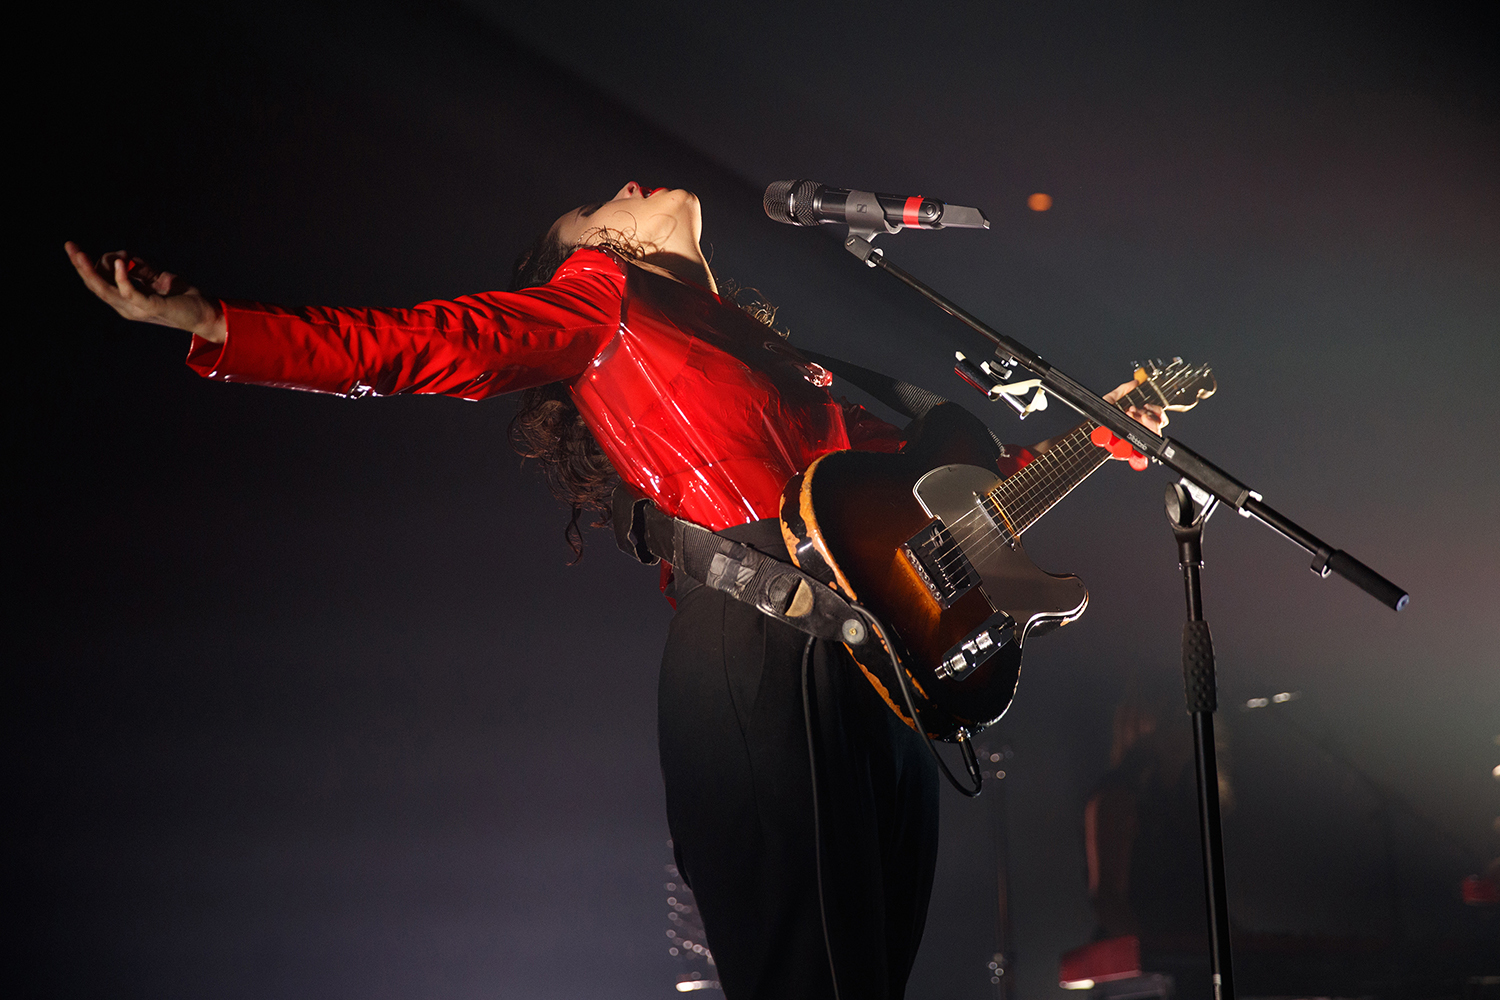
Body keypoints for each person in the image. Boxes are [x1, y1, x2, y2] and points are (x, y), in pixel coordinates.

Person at [67, 181, 1165, 999]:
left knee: (870, 974)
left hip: (877, 673)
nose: (632, 188)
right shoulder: (599, 298)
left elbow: (939, 513)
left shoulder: (783, 360)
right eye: (607, 203)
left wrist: (1101, 441)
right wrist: (214, 328)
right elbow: (417, 345)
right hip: (759, 645)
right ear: (594, 251)